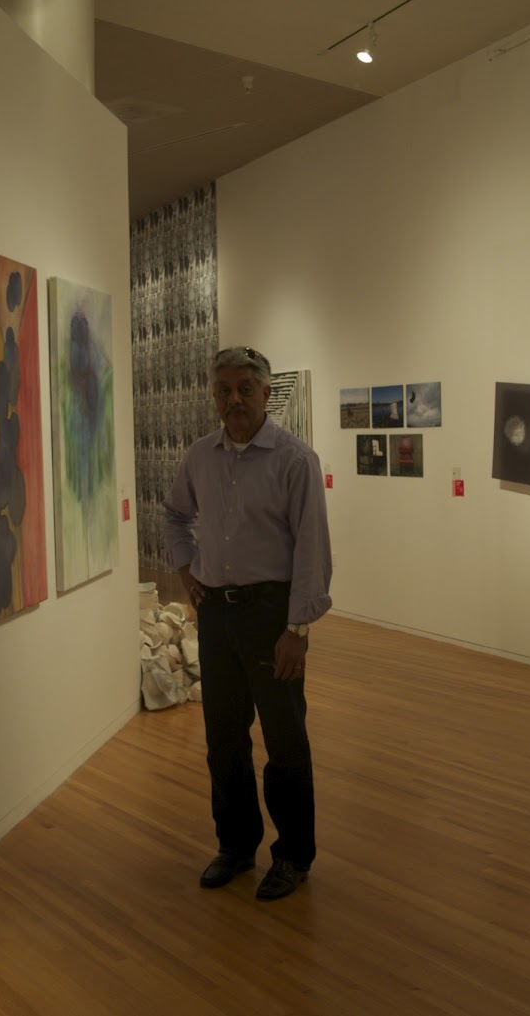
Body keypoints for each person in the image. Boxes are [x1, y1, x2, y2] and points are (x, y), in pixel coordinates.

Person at [164, 346, 332, 901]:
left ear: (265, 392)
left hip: (271, 614)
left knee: (284, 741)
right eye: (223, 390)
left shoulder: (295, 460)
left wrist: (297, 630)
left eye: (243, 388)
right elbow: (175, 515)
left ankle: (293, 856)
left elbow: (311, 550)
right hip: (216, 613)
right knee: (224, 738)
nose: (233, 399)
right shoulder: (200, 456)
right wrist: (186, 572)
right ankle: (235, 845)